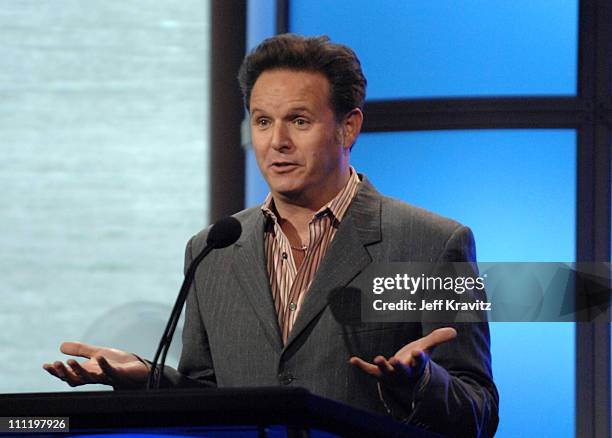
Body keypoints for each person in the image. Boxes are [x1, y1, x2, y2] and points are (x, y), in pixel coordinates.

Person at [44, 34, 499, 437]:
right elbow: (210, 396)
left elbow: (479, 413)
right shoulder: (213, 249)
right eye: (262, 121)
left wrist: (420, 382)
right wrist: (147, 377)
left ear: (348, 127)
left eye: (299, 121)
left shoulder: (432, 243)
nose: (276, 141)